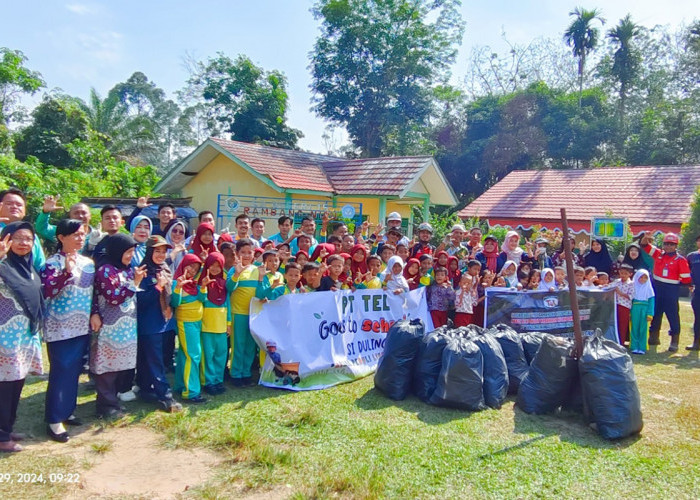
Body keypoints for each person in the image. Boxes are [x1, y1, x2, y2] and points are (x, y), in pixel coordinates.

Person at [41, 220, 95, 442]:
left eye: (82, 234)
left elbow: (93, 291)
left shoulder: (89, 262)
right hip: (59, 327)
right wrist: (66, 272)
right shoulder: (51, 263)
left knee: (74, 371)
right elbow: (48, 290)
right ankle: (54, 419)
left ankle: (68, 410)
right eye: (74, 234)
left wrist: (95, 313)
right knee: (61, 371)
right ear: (61, 237)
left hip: (82, 326)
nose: (80, 238)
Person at [0, 222, 44, 452]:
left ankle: (7, 427)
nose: (23, 243)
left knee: (16, 384)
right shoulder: (2, 265)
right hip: (4, 339)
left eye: (28, 238)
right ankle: (2, 436)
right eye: (17, 238)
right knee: (3, 389)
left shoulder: (27, 267)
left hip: (21, 337)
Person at [91, 233, 146, 419]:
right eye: (128, 252)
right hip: (110, 325)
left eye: (132, 252)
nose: (131, 256)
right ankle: (106, 406)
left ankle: (112, 401)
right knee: (108, 367)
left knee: (119, 365)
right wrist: (135, 283)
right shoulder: (105, 270)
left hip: (126, 326)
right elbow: (114, 298)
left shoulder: (127, 269)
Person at [135, 236, 182, 412]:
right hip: (150, 324)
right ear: (149, 251)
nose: (161, 255)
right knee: (155, 361)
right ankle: (166, 397)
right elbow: (140, 300)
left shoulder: (164, 269)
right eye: (157, 251)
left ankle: (146, 388)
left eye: (164, 251)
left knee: (158, 359)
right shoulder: (143, 271)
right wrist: (158, 288)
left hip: (166, 322)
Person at [641, 232, 691, 351]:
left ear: (676, 246)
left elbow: (686, 278)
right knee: (656, 313)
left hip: (671, 290)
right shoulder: (658, 254)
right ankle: (653, 337)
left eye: (671, 244)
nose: (668, 246)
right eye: (666, 244)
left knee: (672, 315)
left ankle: (674, 341)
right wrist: (645, 238)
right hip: (657, 287)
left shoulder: (680, 260)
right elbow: (644, 246)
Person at [171, 253, 206, 403]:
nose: (192, 270)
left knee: (185, 355)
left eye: (196, 268)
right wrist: (179, 287)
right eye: (190, 266)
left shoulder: (193, 283)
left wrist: (203, 287)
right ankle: (191, 392)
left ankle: (180, 385)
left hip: (197, 323)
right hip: (185, 323)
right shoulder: (176, 282)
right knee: (193, 355)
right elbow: (174, 303)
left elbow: (202, 299)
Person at [227, 238, 260, 386]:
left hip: (253, 314)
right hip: (238, 313)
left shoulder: (257, 270)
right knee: (238, 344)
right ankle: (235, 374)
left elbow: (261, 290)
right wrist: (236, 275)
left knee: (250, 345)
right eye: (243, 252)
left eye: (249, 252)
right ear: (237, 253)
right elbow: (228, 288)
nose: (246, 255)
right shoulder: (234, 270)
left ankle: (246, 373)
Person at [199, 252, 229, 396]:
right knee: (208, 355)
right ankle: (208, 382)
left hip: (222, 327)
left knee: (221, 354)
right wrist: (204, 287)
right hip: (206, 327)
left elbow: (228, 305)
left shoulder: (224, 284)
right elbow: (201, 299)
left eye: (219, 266)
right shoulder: (203, 282)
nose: (216, 269)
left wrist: (229, 324)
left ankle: (218, 380)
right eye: (212, 265)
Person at [0, 188, 45, 272]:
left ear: (24, 211)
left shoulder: (31, 236)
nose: (14, 207)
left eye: (19, 205)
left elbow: (40, 266)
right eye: (9, 203)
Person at [630, 269, 655, 355]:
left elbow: (651, 302)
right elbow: (630, 300)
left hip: (645, 309)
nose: (643, 280)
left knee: (643, 328)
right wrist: (630, 312)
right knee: (634, 327)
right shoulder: (633, 287)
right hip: (635, 309)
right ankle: (634, 346)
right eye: (641, 277)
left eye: (645, 278)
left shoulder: (649, 289)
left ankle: (642, 347)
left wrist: (650, 314)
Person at [612, 264, 634, 345]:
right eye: (621, 273)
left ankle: (621, 342)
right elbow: (609, 288)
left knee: (623, 325)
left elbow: (631, 296)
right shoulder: (616, 282)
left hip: (625, 306)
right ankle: (614, 341)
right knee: (615, 323)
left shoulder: (631, 284)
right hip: (615, 305)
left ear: (630, 274)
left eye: (625, 273)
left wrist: (620, 293)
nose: (623, 275)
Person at [687, 235, 700, 351]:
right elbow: (686, 272)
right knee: (698, 318)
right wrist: (689, 284)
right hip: (697, 291)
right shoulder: (691, 256)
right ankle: (696, 343)